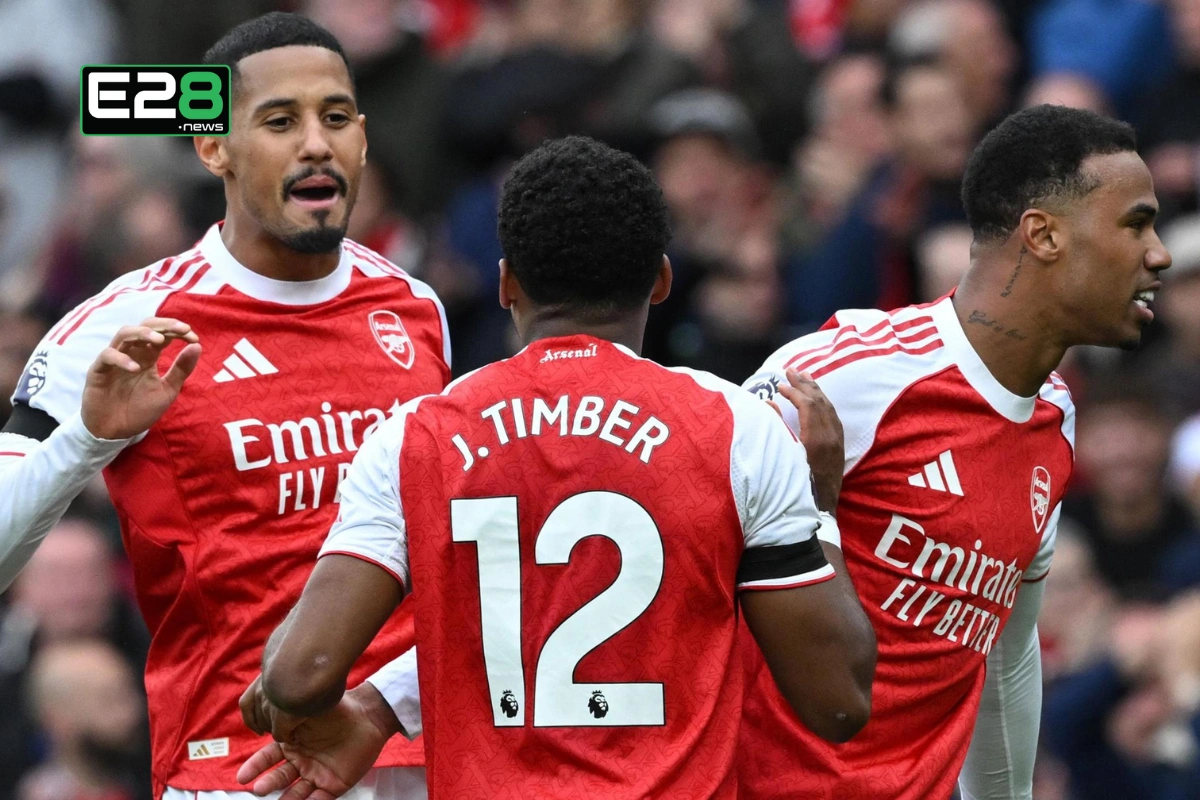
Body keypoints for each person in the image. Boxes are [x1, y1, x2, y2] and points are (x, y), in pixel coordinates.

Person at [239, 135, 876, 799]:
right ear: (661, 280)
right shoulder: (736, 429)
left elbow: (300, 676)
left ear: (506, 282)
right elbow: (837, 703)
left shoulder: (416, 436)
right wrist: (820, 508)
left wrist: (347, 697)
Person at [0, 12, 451, 800]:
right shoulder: (122, 324)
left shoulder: (415, 307)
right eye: (280, 121)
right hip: (239, 772)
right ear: (214, 147)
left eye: (336, 118)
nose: (316, 144)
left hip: (421, 757)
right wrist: (87, 442)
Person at [736, 103, 1171, 799]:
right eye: (1135, 223)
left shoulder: (1054, 418)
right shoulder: (844, 375)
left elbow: (1003, 656)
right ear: (1044, 234)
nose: (1159, 253)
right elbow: (684, 568)